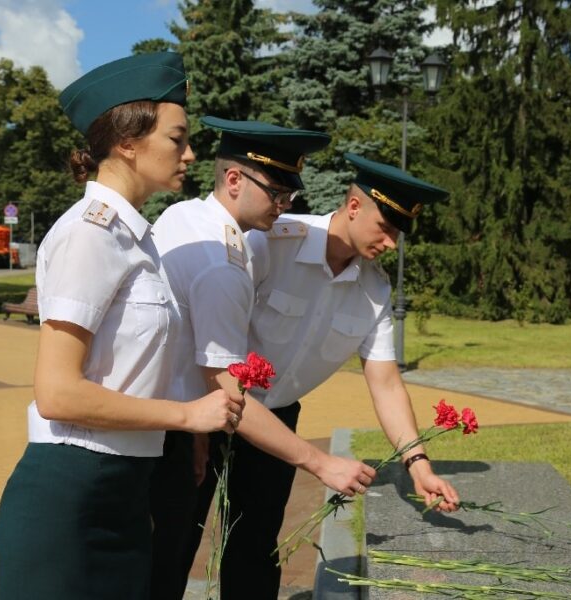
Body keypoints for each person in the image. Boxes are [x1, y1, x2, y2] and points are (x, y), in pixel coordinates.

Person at [0, 52, 240, 600]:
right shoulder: (90, 234)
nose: (190, 153)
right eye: (177, 139)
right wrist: (188, 415)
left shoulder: (137, 238)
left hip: (122, 491)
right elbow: (57, 392)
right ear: (128, 142)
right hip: (71, 496)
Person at [187, 152, 461, 600]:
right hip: (208, 408)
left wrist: (419, 464)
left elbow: (386, 382)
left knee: (255, 549)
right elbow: (208, 335)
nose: (392, 243)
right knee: (177, 535)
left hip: (274, 424)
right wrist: (198, 425)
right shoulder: (271, 241)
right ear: (354, 207)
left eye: (399, 234)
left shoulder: (374, 291)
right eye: (386, 228)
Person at [149, 117, 378, 600]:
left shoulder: (183, 216)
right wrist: (321, 463)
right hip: (171, 426)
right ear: (234, 180)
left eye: (289, 196)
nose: (285, 205)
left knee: (171, 553)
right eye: (276, 191)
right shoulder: (225, 264)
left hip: (179, 417)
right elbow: (225, 386)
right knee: (165, 554)